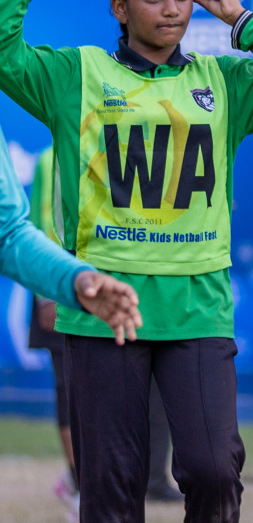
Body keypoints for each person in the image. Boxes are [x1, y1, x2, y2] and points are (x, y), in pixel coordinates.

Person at [0, 0, 253, 523]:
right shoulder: (76, 76)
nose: (172, 9)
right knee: (113, 490)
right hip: (103, 308)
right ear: (120, 8)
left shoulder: (224, 81)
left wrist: (243, 21)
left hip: (198, 304)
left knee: (211, 469)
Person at [27, 147, 169, 517]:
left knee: (128, 390)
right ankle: (79, 480)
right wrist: (46, 292)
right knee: (70, 389)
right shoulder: (49, 158)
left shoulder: (121, 146)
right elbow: (35, 221)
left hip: (111, 287)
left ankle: (127, 479)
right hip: (61, 284)